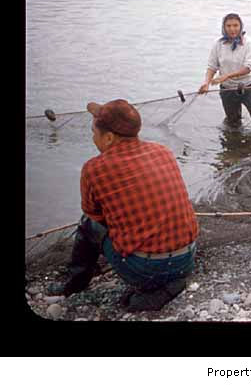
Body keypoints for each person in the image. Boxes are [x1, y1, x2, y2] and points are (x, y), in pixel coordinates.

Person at [47, 99, 200, 312]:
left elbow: (93, 214)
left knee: (88, 224)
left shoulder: (94, 168)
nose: (93, 138)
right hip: (187, 257)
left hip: (147, 269)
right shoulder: (162, 151)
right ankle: (172, 281)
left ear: (109, 137)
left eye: (94, 133)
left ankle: (75, 285)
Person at [198, 13, 251, 132]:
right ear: (224, 27)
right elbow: (212, 66)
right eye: (229, 26)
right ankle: (234, 146)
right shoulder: (218, 44)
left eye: (235, 25)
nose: (232, 29)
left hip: (249, 85)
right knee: (233, 122)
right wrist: (206, 83)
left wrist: (226, 76)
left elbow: (249, 67)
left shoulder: (248, 42)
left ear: (240, 26)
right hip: (228, 88)